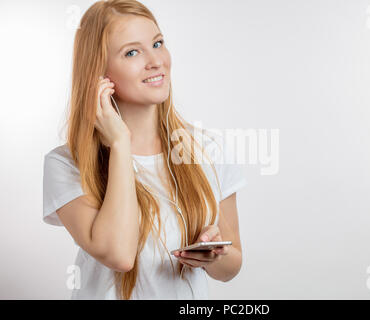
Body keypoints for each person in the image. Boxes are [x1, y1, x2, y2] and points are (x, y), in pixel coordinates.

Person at [42, 0, 247, 300]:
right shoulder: (66, 164)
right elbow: (120, 255)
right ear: (99, 73)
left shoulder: (207, 150)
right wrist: (120, 144)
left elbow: (232, 266)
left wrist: (215, 257)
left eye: (158, 43)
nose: (156, 61)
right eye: (132, 52)